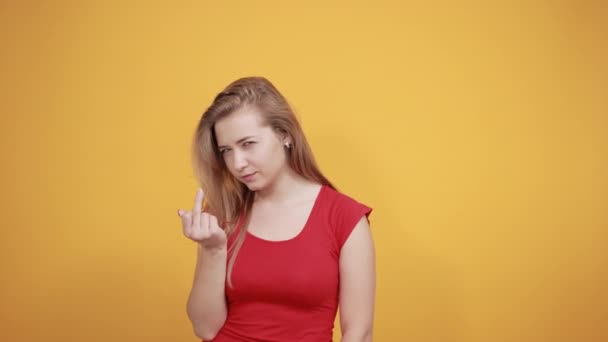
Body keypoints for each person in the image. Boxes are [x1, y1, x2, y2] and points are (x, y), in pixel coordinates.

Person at [176, 76, 375, 341]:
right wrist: (212, 250)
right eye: (226, 150)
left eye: (248, 144)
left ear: (285, 135)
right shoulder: (223, 213)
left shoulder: (344, 218)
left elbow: (359, 334)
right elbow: (205, 328)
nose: (237, 163)